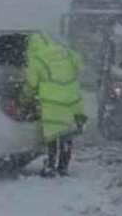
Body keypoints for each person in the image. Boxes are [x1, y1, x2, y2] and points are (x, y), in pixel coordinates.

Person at [20, 32, 88, 178]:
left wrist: (26, 96)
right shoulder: (65, 52)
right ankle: (63, 167)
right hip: (71, 99)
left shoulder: (36, 58)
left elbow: (32, 83)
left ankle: (50, 167)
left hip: (51, 103)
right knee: (67, 135)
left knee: (52, 136)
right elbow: (80, 65)